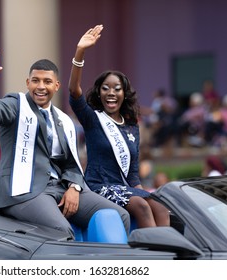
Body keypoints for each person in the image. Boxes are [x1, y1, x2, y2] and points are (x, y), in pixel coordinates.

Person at [0, 47, 130, 239]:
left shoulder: (64, 120)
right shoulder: (16, 104)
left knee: (118, 215)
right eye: (36, 81)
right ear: (27, 83)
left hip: (60, 187)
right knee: (62, 231)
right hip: (25, 191)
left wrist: (74, 187)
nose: (41, 86)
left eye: (47, 81)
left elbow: (71, 164)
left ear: (56, 86)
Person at [68, 25, 169, 228]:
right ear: (99, 94)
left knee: (160, 206)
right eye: (105, 88)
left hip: (125, 188)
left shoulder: (132, 127)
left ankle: (168, 253)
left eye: (117, 88)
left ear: (124, 94)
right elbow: (74, 90)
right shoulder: (93, 119)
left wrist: (143, 193)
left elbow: (132, 174)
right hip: (98, 186)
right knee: (141, 205)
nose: (111, 92)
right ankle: (152, 256)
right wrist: (80, 51)